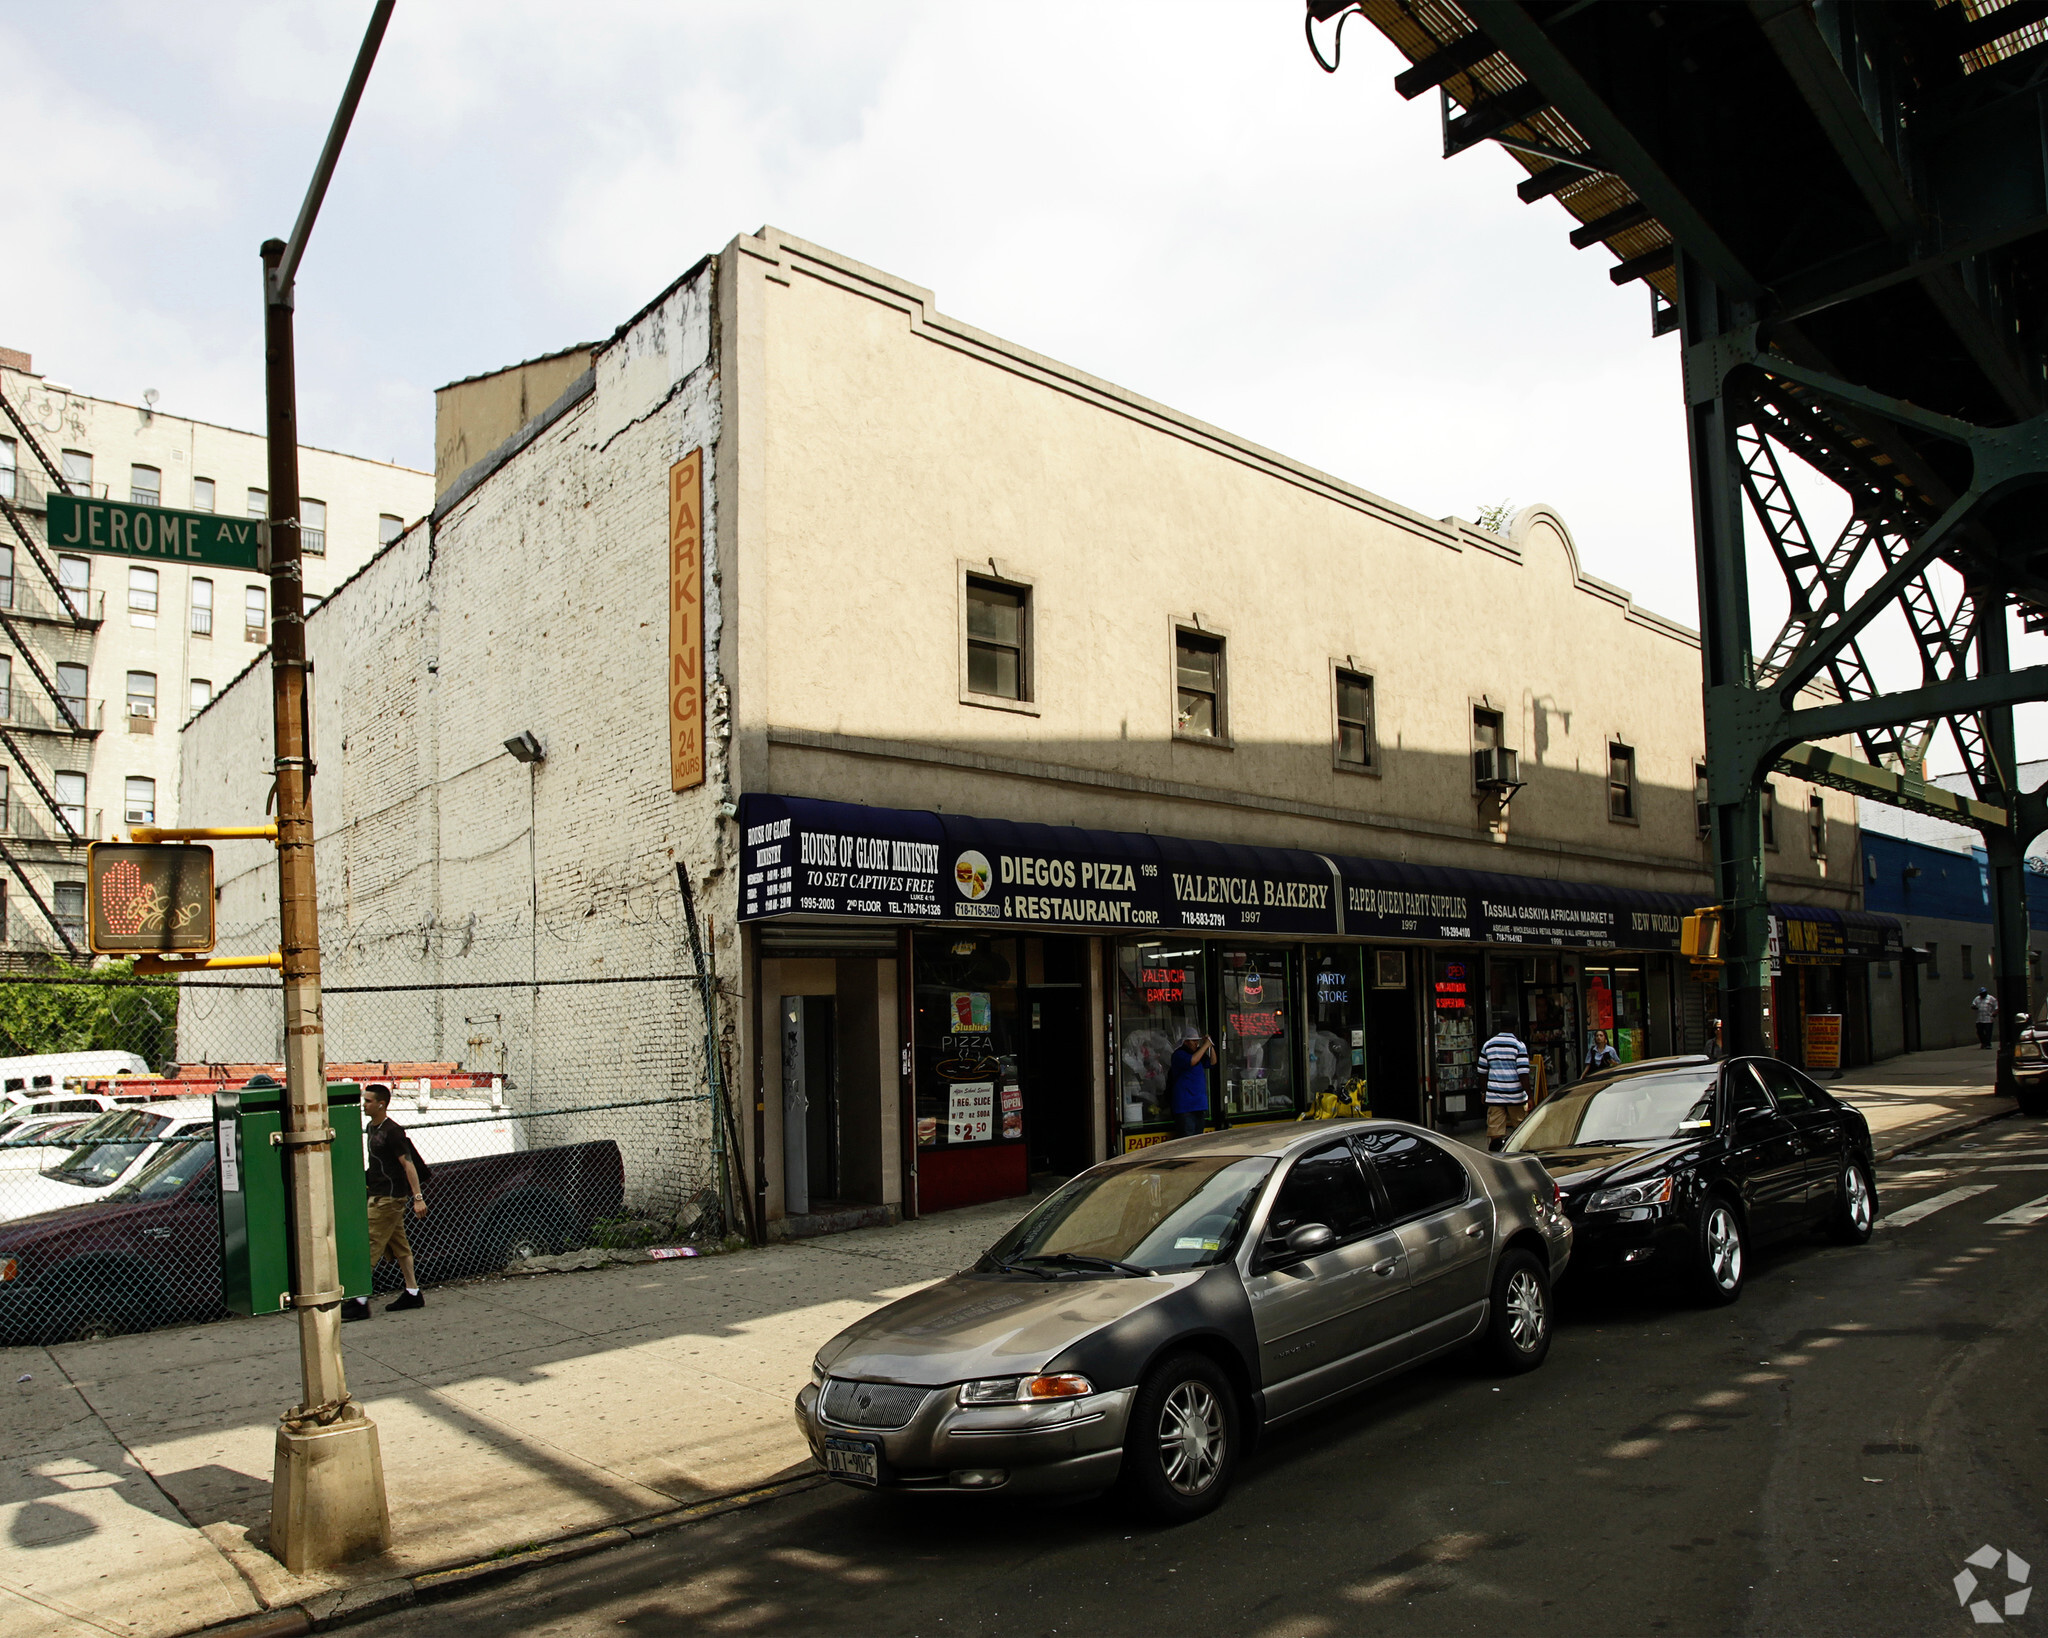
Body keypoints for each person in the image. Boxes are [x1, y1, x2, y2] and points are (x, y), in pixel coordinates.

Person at [345, 1082, 430, 1319]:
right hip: (378, 1193)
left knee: (370, 1244)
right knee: (400, 1247)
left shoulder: (392, 1131)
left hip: (389, 1198)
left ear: (381, 1104)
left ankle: (360, 1300)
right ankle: (413, 1293)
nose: (364, 1104)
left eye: (369, 1101)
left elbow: (408, 1164)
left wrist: (418, 1198)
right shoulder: (373, 1127)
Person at [1478, 1027, 1532, 1152]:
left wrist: (1484, 1092)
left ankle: (1496, 1154)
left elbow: (1482, 1072)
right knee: (1520, 1127)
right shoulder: (1519, 1046)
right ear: (1514, 1026)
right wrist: (1530, 1096)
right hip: (1515, 1095)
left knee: (1495, 1131)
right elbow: (1523, 1073)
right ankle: (1519, 1152)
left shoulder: (1488, 1045)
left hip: (1495, 1095)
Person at [1167, 1029, 1216, 1138]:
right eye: (1193, 1041)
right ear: (1185, 1042)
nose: (1196, 1043)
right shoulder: (1179, 1054)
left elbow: (1213, 1062)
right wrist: (1204, 1047)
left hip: (1199, 1105)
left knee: (1197, 1139)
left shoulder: (1199, 1053)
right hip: (1185, 1107)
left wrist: (1210, 1045)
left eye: (1197, 1041)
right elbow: (1192, 1061)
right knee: (1187, 1138)